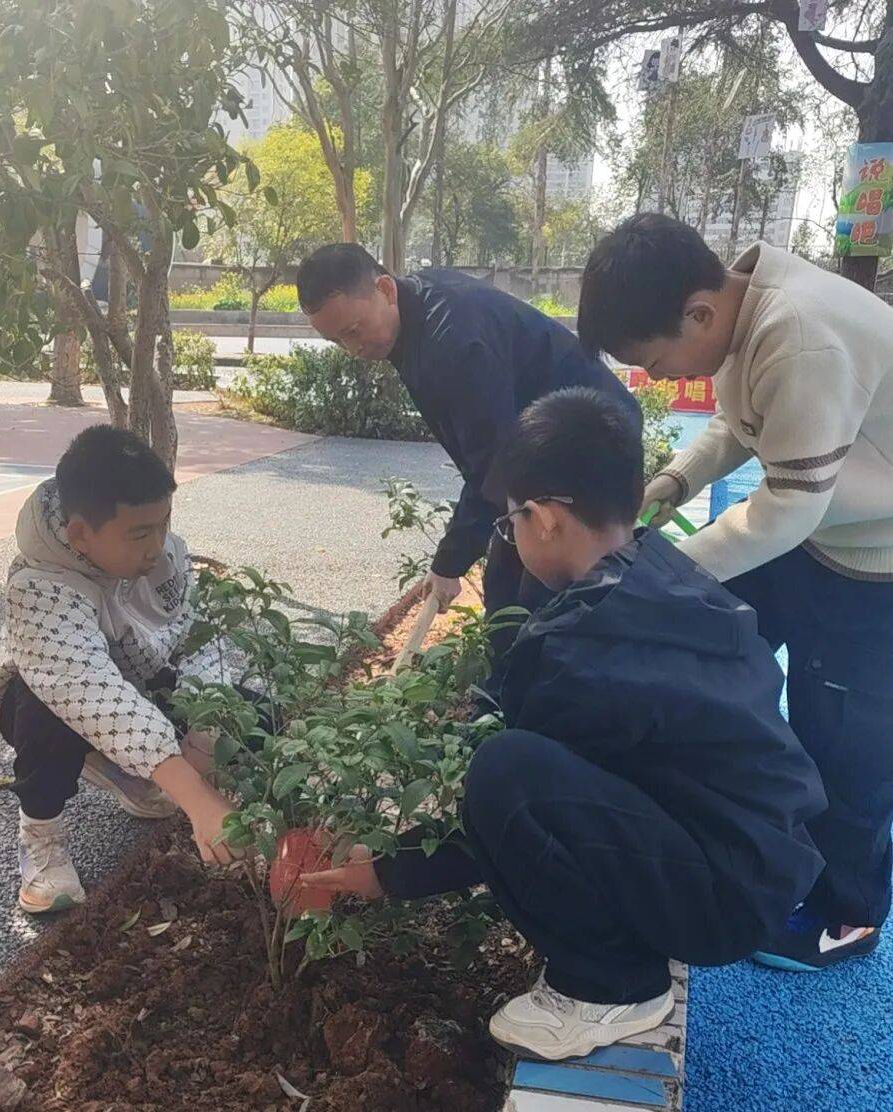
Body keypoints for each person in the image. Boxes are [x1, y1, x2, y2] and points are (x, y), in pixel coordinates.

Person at [299, 388, 824, 1060]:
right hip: (758, 864)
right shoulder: (663, 572)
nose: (510, 537)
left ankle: (610, 988)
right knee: (523, 766)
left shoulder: (580, 646)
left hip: (718, 902)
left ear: (543, 518)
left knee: (504, 770)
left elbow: (516, 806)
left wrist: (390, 873)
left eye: (508, 522)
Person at [576, 213, 893, 972]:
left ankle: (849, 912)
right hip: (821, 532)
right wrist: (670, 483)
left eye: (654, 361)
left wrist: (658, 572)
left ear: (697, 313)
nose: (656, 379)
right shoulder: (743, 306)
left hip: (875, 560)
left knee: (846, 740)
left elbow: (786, 509)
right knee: (713, 639)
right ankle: (745, 825)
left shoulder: (801, 336)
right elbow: (736, 424)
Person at [296, 243, 640, 667]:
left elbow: (494, 464)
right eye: (336, 340)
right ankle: (513, 683)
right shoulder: (414, 314)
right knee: (510, 588)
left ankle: (540, 688)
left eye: (353, 331)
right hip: (543, 446)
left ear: (385, 289)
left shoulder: (454, 342)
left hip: (590, 445)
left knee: (537, 596)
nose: (352, 348)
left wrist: (450, 562)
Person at [0, 425, 239, 913]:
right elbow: (88, 692)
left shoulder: (162, 554)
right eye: (140, 533)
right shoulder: (39, 587)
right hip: (66, 702)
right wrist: (196, 798)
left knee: (251, 713)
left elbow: (199, 636)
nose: (157, 545)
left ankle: (136, 776)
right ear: (80, 534)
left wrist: (202, 739)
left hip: (146, 684)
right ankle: (42, 835)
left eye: (163, 523)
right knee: (44, 707)